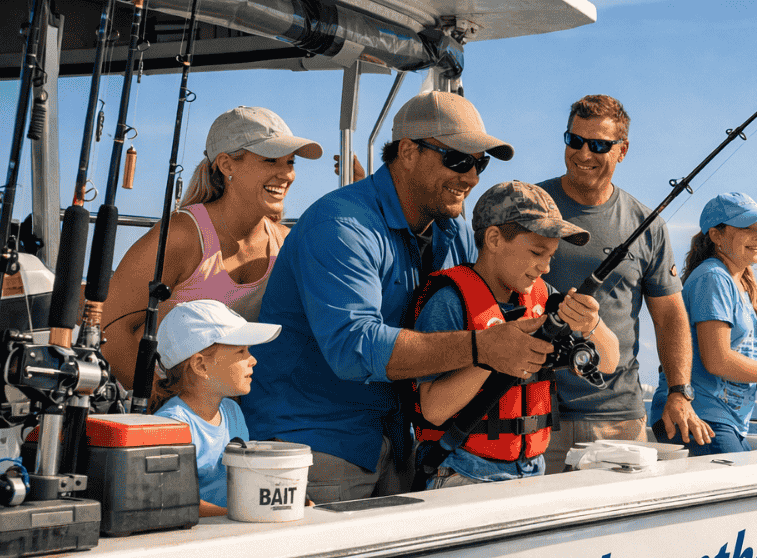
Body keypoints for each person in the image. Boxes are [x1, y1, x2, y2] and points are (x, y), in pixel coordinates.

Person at [241, 91, 554, 503]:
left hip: (401, 443)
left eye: (480, 163)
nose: (472, 177)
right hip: (318, 445)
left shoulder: (453, 229)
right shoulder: (339, 225)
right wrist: (485, 348)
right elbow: (354, 349)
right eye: (458, 159)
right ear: (408, 151)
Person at [537, 94, 713, 473]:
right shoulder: (533, 207)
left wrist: (680, 393)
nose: (583, 153)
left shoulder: (646, 224)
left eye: (599, 145)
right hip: (534, 413)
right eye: (574, 140)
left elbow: (670, 318)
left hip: (618, 416)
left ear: (623, 150)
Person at [410, 181, 618, 488]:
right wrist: (492, 355)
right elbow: (434, 409)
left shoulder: (543, 297)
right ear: (494, 239)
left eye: (552, 256)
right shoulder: (449, 302)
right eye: (536, 252)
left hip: (533, 472)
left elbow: (610, 363)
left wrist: (591, 323)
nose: (545, 267)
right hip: (461, 473)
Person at [104, 106, 322, 389]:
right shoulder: (182, 235)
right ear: (226, 164)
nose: (286, 175)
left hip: (227, 399)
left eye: (290, 163)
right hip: (155, 398)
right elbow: (110, 328)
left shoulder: (285, 243)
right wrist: (157, 401)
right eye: (270, 160)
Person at [649, 192, 757, 455]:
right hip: (699, 419)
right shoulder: (713, 278)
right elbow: (717, 359)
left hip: (721, 421)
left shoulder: (735, 283)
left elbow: (721, 354)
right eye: (746, 227)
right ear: (716, 235)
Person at [151, 299, 282, 516]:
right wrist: (243, 514)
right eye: (241, 352)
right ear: (201, 365)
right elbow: (173, 500)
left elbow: (245, 476)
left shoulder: (232, 411)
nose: (253, 360)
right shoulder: (173, 425)